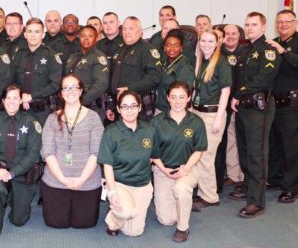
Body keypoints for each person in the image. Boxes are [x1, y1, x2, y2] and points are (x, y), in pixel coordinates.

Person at [230, 12, 281, 218]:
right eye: (247, 25)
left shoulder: (269, 51)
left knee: (257, 154)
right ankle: (250, 188)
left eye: (253, 24)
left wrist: (238, 94)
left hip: (258, 108)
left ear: (263, 27)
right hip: (243, 107)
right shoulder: (245, 51)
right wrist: (237, 96)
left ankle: (256, 202)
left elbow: (263, 78)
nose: (249, 28)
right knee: (244, 151)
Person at [266, 10, 298, 203]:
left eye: (288, 22)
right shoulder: (272, 42)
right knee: (275, 145)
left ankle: (290, 189)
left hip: (294, 105)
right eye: (280, 22)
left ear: (296, 23)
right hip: (274, 103)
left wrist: (283, 52)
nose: (283, 25)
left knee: (292, 148)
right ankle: (275, 179)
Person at [0, 84, 42, 244]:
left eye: (15, 98)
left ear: (21, 100)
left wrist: (12, 173)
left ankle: (12, 198)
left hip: (21, 174)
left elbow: (33, 155)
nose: (12, 102)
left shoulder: (31, 123)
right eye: (8, 98)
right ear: (3, 101)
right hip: (0, 171)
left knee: (18, 220)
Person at [40, 74, 104, 229]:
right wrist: (62, 179)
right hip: (56, 181)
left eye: (74, 87)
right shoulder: (52, 119)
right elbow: (47, 153)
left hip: (87, 182)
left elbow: (96, 153)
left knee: (84, 224)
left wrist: (81, 180)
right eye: (65, 88)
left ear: (81, 90)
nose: (70, 91)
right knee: (56, 223)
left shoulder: (94, 118)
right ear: (61, 93)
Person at [151, 81, 207, 242]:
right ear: (167, 98)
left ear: (189, 98)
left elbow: (199, 150)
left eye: (182, 97)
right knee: (165, 219)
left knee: (181, 189)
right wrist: (163, 169)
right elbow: (152, 152)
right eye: (173, 97)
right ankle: (184, 205)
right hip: (163, 170)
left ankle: (183, 227)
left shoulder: (196, 122)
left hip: (186, 168)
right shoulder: (157, 121)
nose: (177, 101)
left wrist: (187, 168)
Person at [98, 90, 157, 237]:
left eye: (133, 106)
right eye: (124, 106)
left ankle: (120, 210)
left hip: (142, 185)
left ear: (139, 107)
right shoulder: (111, 132)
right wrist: (112, 191)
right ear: (118, 109)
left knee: (134, 232)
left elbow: (153, 157)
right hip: (119, 183)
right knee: (126, 211)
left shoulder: (149, 130)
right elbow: (107, 165)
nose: (129, 110)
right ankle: (113, 222)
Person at [190, 29, 231, 212]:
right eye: (203, 41)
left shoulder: (221, 63)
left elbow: (226, 91)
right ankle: (203, 191)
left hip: (213, 115)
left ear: (217, 43)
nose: (206, 44)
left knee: (206, 156)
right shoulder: (201, 62)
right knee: (198, 155)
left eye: (210, 41)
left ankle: (210, 197)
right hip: (198, 113)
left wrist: (218, 118)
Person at [107, 16, 161, 122]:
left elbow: (155, 77)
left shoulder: (147, 50)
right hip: (119, 106)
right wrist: (112, 106)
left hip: (139, 106)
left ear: (140, 32)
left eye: (131, 29)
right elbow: (113, 79)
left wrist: (130, 88)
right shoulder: (119, 50)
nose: (127, 32)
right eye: (125, 29)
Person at [12, 18, 62, 125]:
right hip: (21, 107)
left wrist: (31, 96)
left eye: (37, 32)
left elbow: (55, 84)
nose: (33, 35)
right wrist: (21, 96)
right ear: (25, 34)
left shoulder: (51, 55)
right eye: (29, 31)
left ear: (43, 35)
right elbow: (12, 80)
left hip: (43, 111)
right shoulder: (18, 55)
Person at [215, 24, 245, 192]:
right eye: (227, 34)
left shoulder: (246, 52)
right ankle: (233, 175)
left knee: (240, 139)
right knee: (229, 140)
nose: (231, 36)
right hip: (223, 103)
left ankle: (243, 176)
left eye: (234, 33)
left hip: (240, 101)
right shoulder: (219, 53)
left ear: (239, 35)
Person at [64, 25, 109, 118]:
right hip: (72, 104)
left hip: (91, 106)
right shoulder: (73, 57)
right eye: (83, 36)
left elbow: (101, 84)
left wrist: (81, 101)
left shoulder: (98, 57)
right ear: (79, 38)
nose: (86, 38)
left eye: (90, 36)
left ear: (96, 39)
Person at [155, 29, 195, 114]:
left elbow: (184, 94)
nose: (172, 49)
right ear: (164, 47)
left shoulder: (185, 67)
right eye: (168, 45)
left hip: (175, 111)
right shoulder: (164, 60)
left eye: (176, 45)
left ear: (181, 47)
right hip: (160, 109)